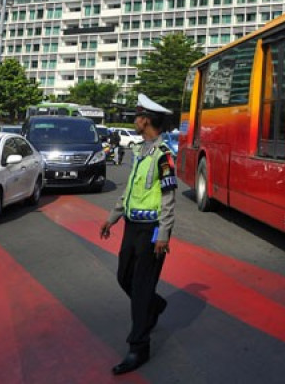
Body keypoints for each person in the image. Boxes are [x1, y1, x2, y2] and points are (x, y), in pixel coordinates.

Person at [100, 93, 176, 375]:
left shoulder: (163, 156)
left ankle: (138, 347)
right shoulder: (140, 152)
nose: (134, 121)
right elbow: (130, 190)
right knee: (124, 277)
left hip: (154, 229)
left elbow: (168, 198)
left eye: (137, 117)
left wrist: (164, 235)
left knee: (142, 287)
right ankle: (155, 306)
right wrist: (112, 218)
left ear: (146, 121)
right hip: (132, 226)